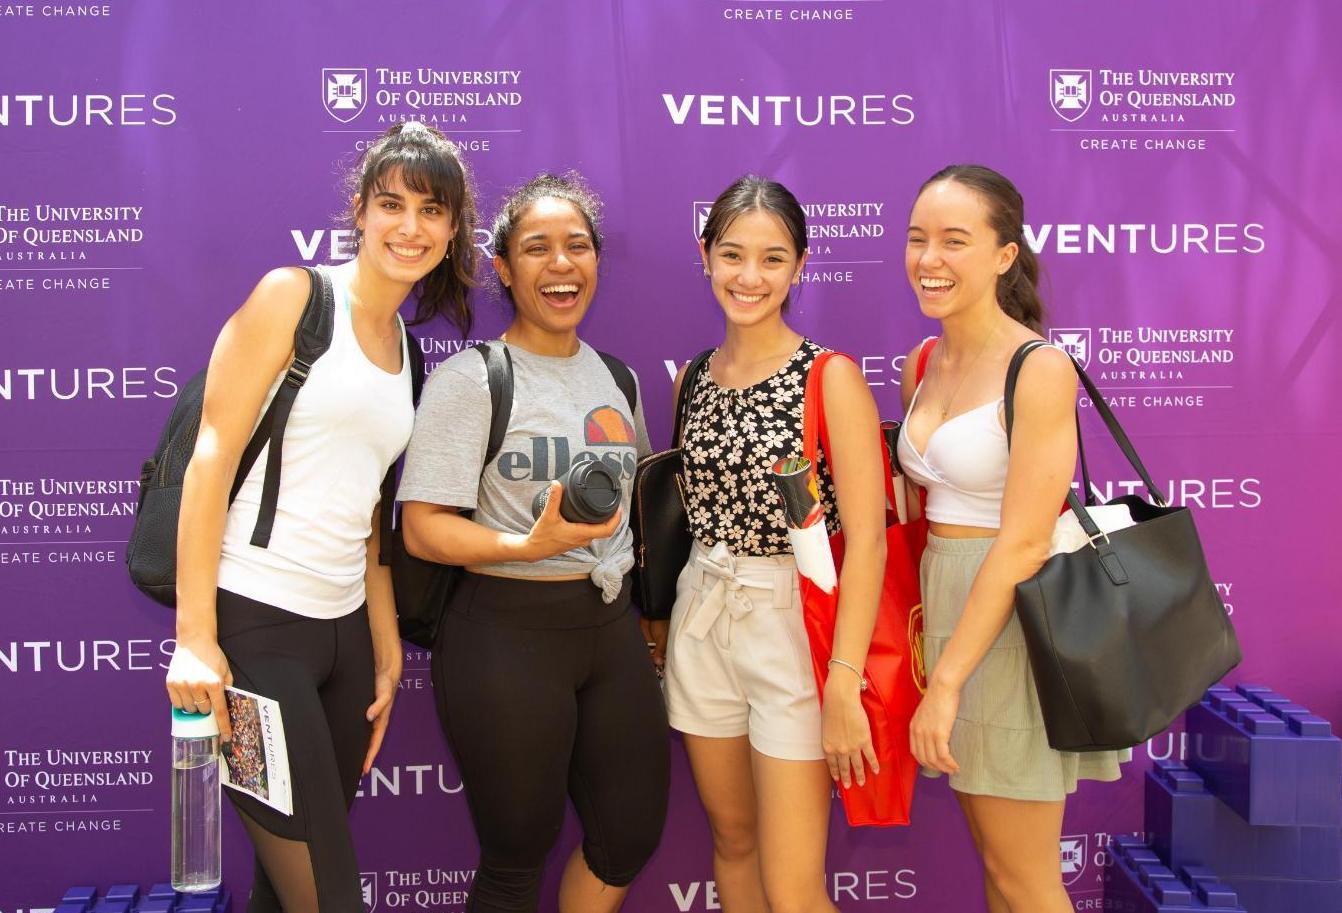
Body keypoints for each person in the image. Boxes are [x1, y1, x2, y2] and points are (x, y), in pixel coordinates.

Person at [164, 122, 479, 913]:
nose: (410, 227)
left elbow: (372, 512)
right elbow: (210, 457)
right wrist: (195, 635)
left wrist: (381, 645)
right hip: (252, 633)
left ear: (451, 231)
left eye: (431, 210)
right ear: (359, 211)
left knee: (285, 888)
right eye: (391, 204)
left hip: (341, 642)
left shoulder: (407, 351)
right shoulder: (294, 297)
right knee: (330, 897)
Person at [398, 172, 670, 913]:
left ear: (596, 262)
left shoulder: (617, 378)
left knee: (630, 832)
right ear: (505, 268)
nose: (561, 264)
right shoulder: (472, 379)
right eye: (538, 248)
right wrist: (528, 543)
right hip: (503, 631)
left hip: (608, 630)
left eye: (577, 246)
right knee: (516, 853)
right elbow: (421, 529)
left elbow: (636, 508)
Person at [897, 164, 1126, 913]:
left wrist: (950, 681)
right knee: (998, 871)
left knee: (1026, 880)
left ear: (1004, 254)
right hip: (945, 608)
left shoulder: (1039, 368)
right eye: (918, 239)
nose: (929, 259)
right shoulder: (922, 364)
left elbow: (1025, 543)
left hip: (1008, 623)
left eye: (954, 241)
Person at [658, 175, 887, 913]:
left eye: (771, 258)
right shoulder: (692, 376)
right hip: (704, 614)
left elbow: (871, 543)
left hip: (795, 626)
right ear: (705, 257)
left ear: (799, 266)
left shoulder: (832, 376)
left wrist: (845, 678)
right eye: (732, 255)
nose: (749, 277)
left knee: (794, 887)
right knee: (734, 843)